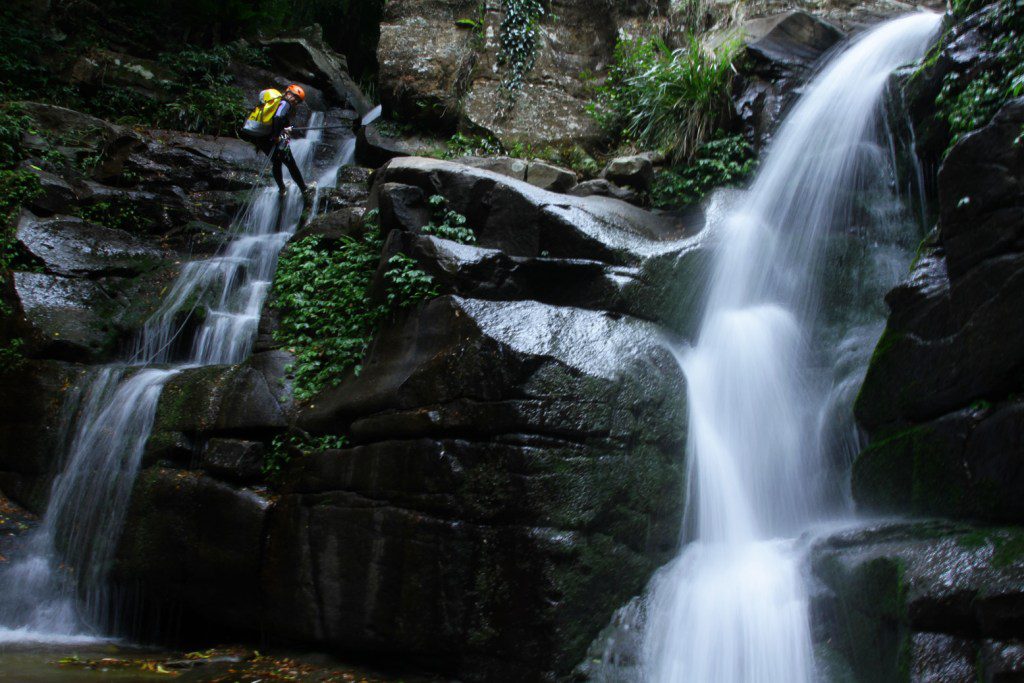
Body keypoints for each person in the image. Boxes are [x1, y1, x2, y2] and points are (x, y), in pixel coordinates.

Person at [240, 84, 315, 202]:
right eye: (294, 97)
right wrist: (276, 136)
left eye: (298, 100)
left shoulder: (274, 103)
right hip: (272, 138)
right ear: (288, 93)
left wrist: (285, 128)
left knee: (276, 162)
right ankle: (304, 189)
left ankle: (282, 189)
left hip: (261, 137)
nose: (295, 100)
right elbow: (278, 117)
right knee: (290, 163)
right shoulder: (285, 103)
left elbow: (278, 119)